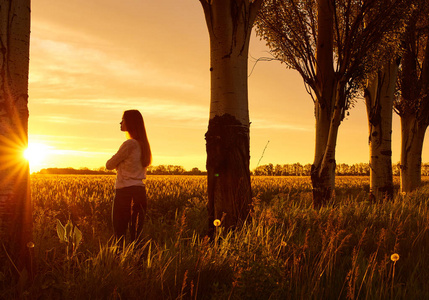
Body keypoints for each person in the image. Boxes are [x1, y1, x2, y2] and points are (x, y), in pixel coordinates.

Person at [106, 109, 152, 242]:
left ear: (130, 123)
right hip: (140, 192)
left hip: (125, 193)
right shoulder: (143, 145)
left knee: (119, 234)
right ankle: (137, 261)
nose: (120, 123)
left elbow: (109, 165)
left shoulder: (129, 144)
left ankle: (120, 260)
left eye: (123, 120)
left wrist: (117, 165)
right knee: (136, 236)